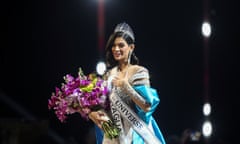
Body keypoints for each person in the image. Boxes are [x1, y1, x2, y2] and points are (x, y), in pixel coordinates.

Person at [89, 22, 166, 144]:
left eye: (121, 45)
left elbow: (147, 107)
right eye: (114, 46)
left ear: (131, 48)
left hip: (135, 135)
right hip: (113, 135)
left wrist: (126, 87)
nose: (116, 49)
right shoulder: (108, 75)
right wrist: (91, 113)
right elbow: (104, 107)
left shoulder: (139, 71)